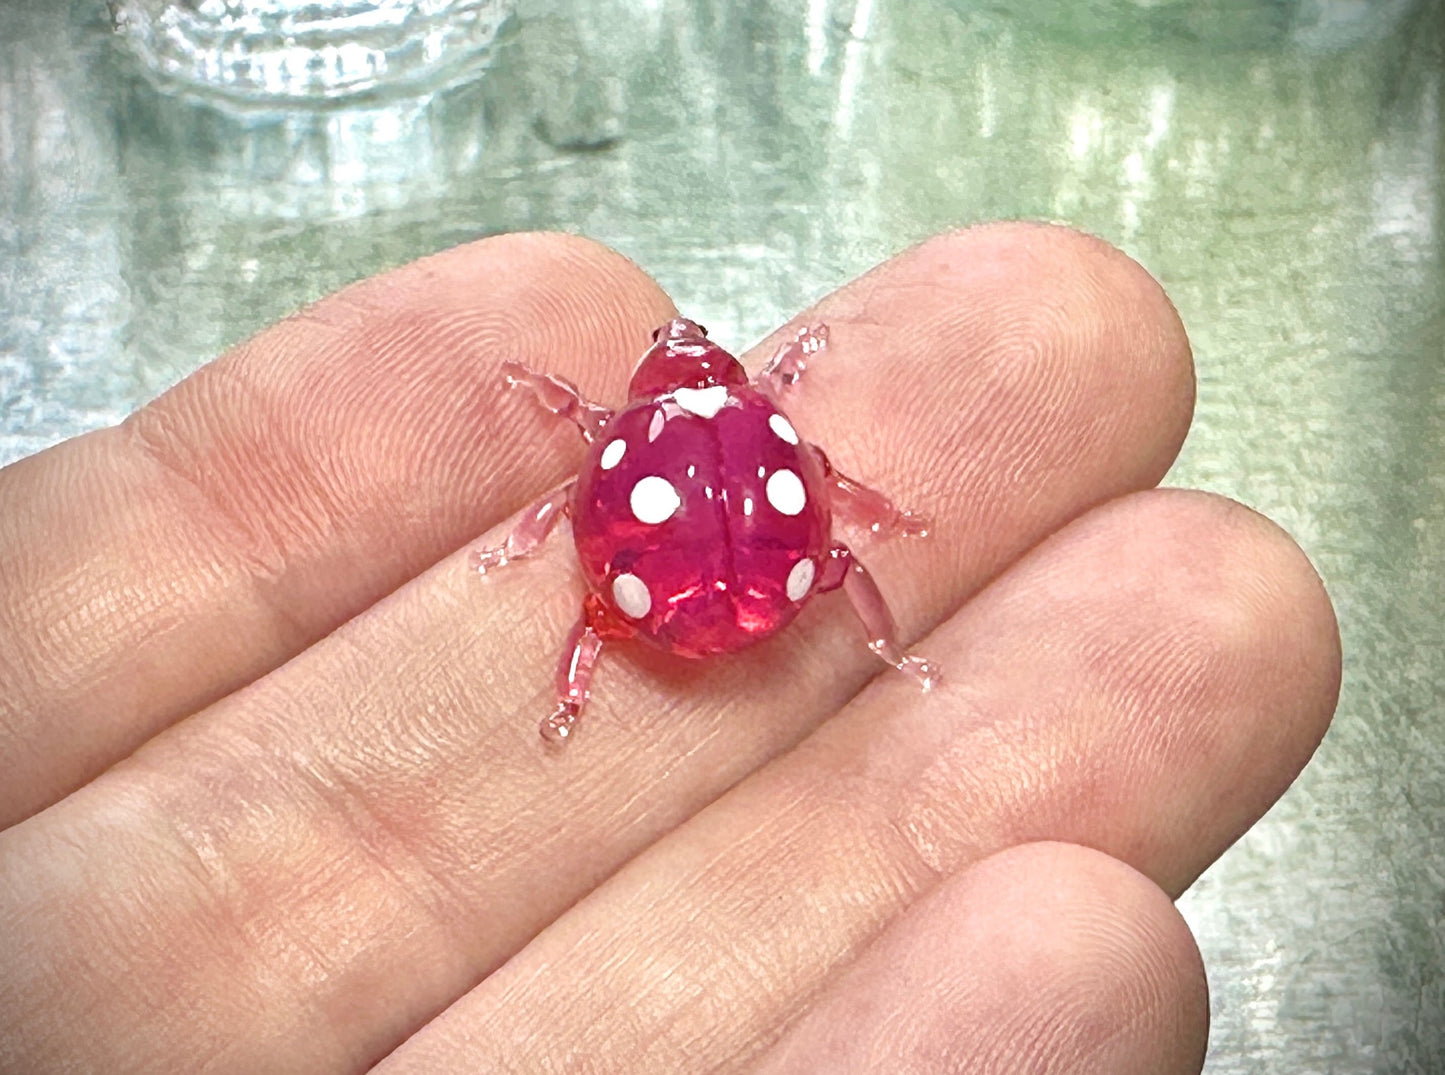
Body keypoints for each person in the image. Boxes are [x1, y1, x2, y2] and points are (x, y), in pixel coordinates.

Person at [0, 225, 1340, 1073]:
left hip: (677, 605)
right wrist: (883, 519)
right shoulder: (770, 424)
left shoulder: (616, 434)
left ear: (648, 386)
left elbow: (576, 494)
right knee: (837, 561)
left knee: (614, 607)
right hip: (765, 593)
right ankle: (881, 663)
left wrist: (531, 543)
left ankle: (586, 694)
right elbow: (833, 496)